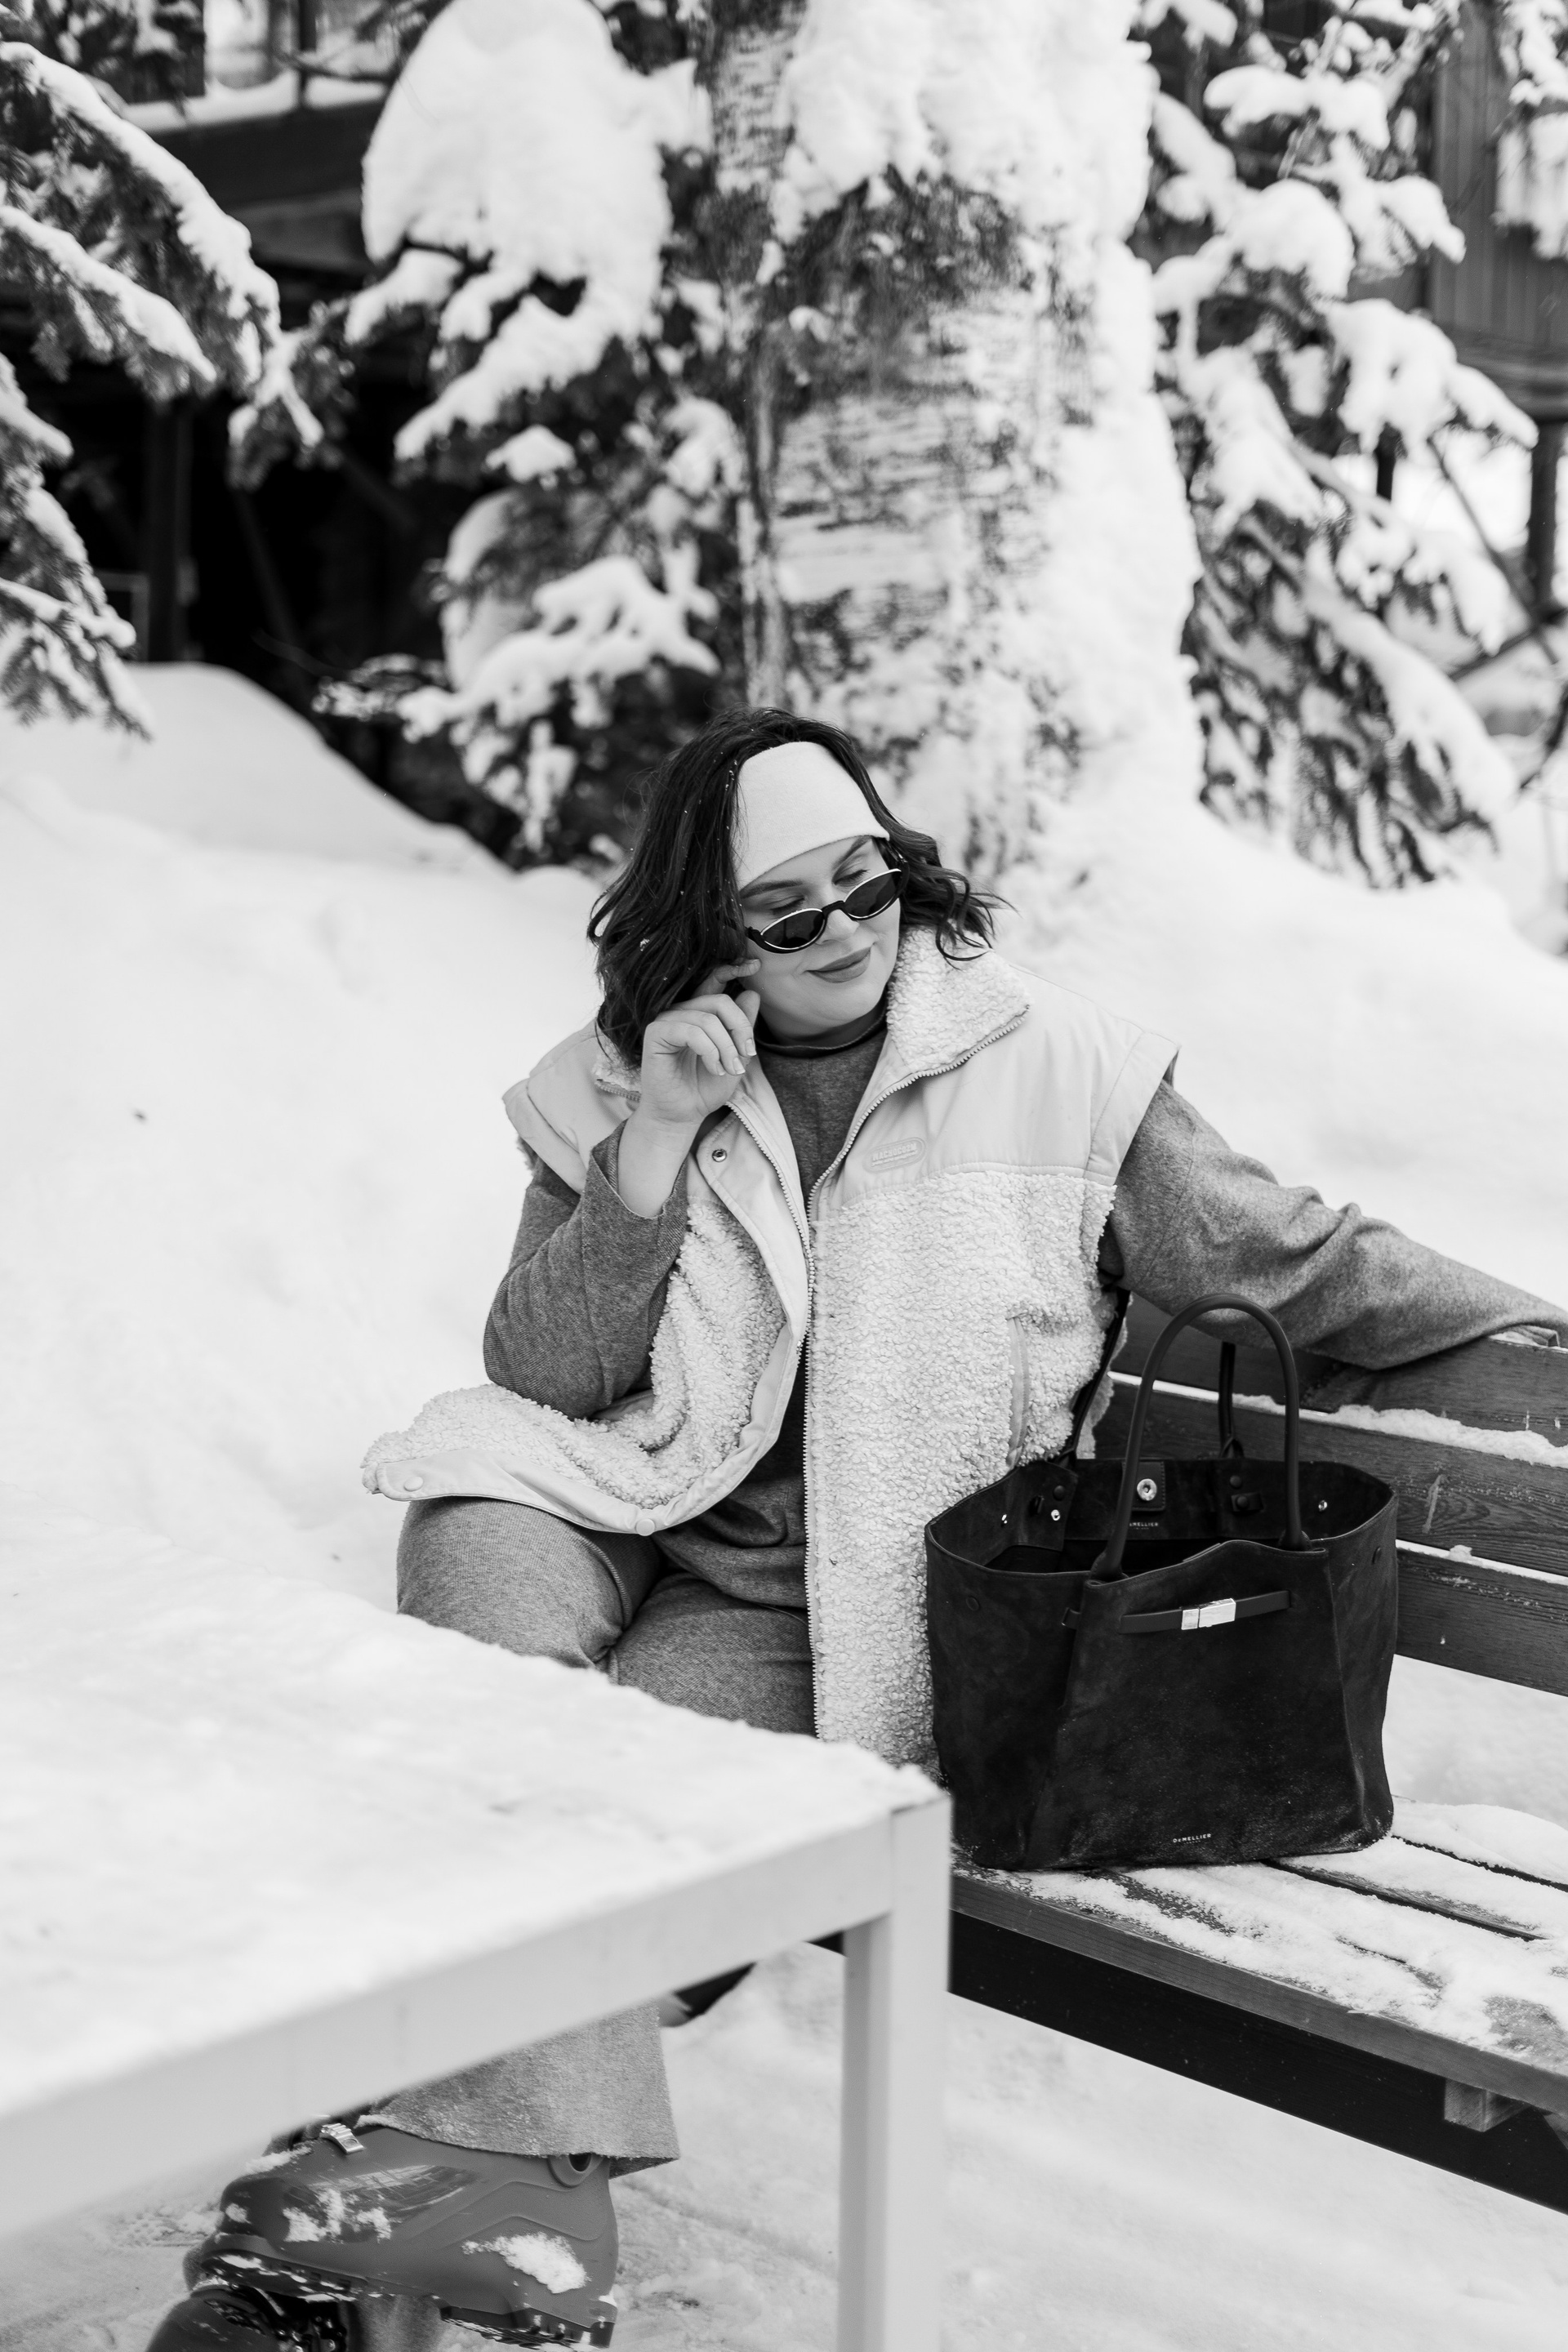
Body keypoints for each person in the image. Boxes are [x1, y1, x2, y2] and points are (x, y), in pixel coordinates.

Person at [153, 710, 1568, 2351]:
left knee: (575, 1788)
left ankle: (432, 2205)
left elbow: (1298, 1260)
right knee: (477, 1584)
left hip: (825, 1605)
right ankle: (474, 2192)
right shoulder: (624, 1072)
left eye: (868, 883)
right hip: (619, 1503)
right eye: (786, 911)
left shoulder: (1057, 1071)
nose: (843, 930)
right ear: (708, 935)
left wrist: (1537, 1332)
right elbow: (546, 1372)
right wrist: (654, 1141)